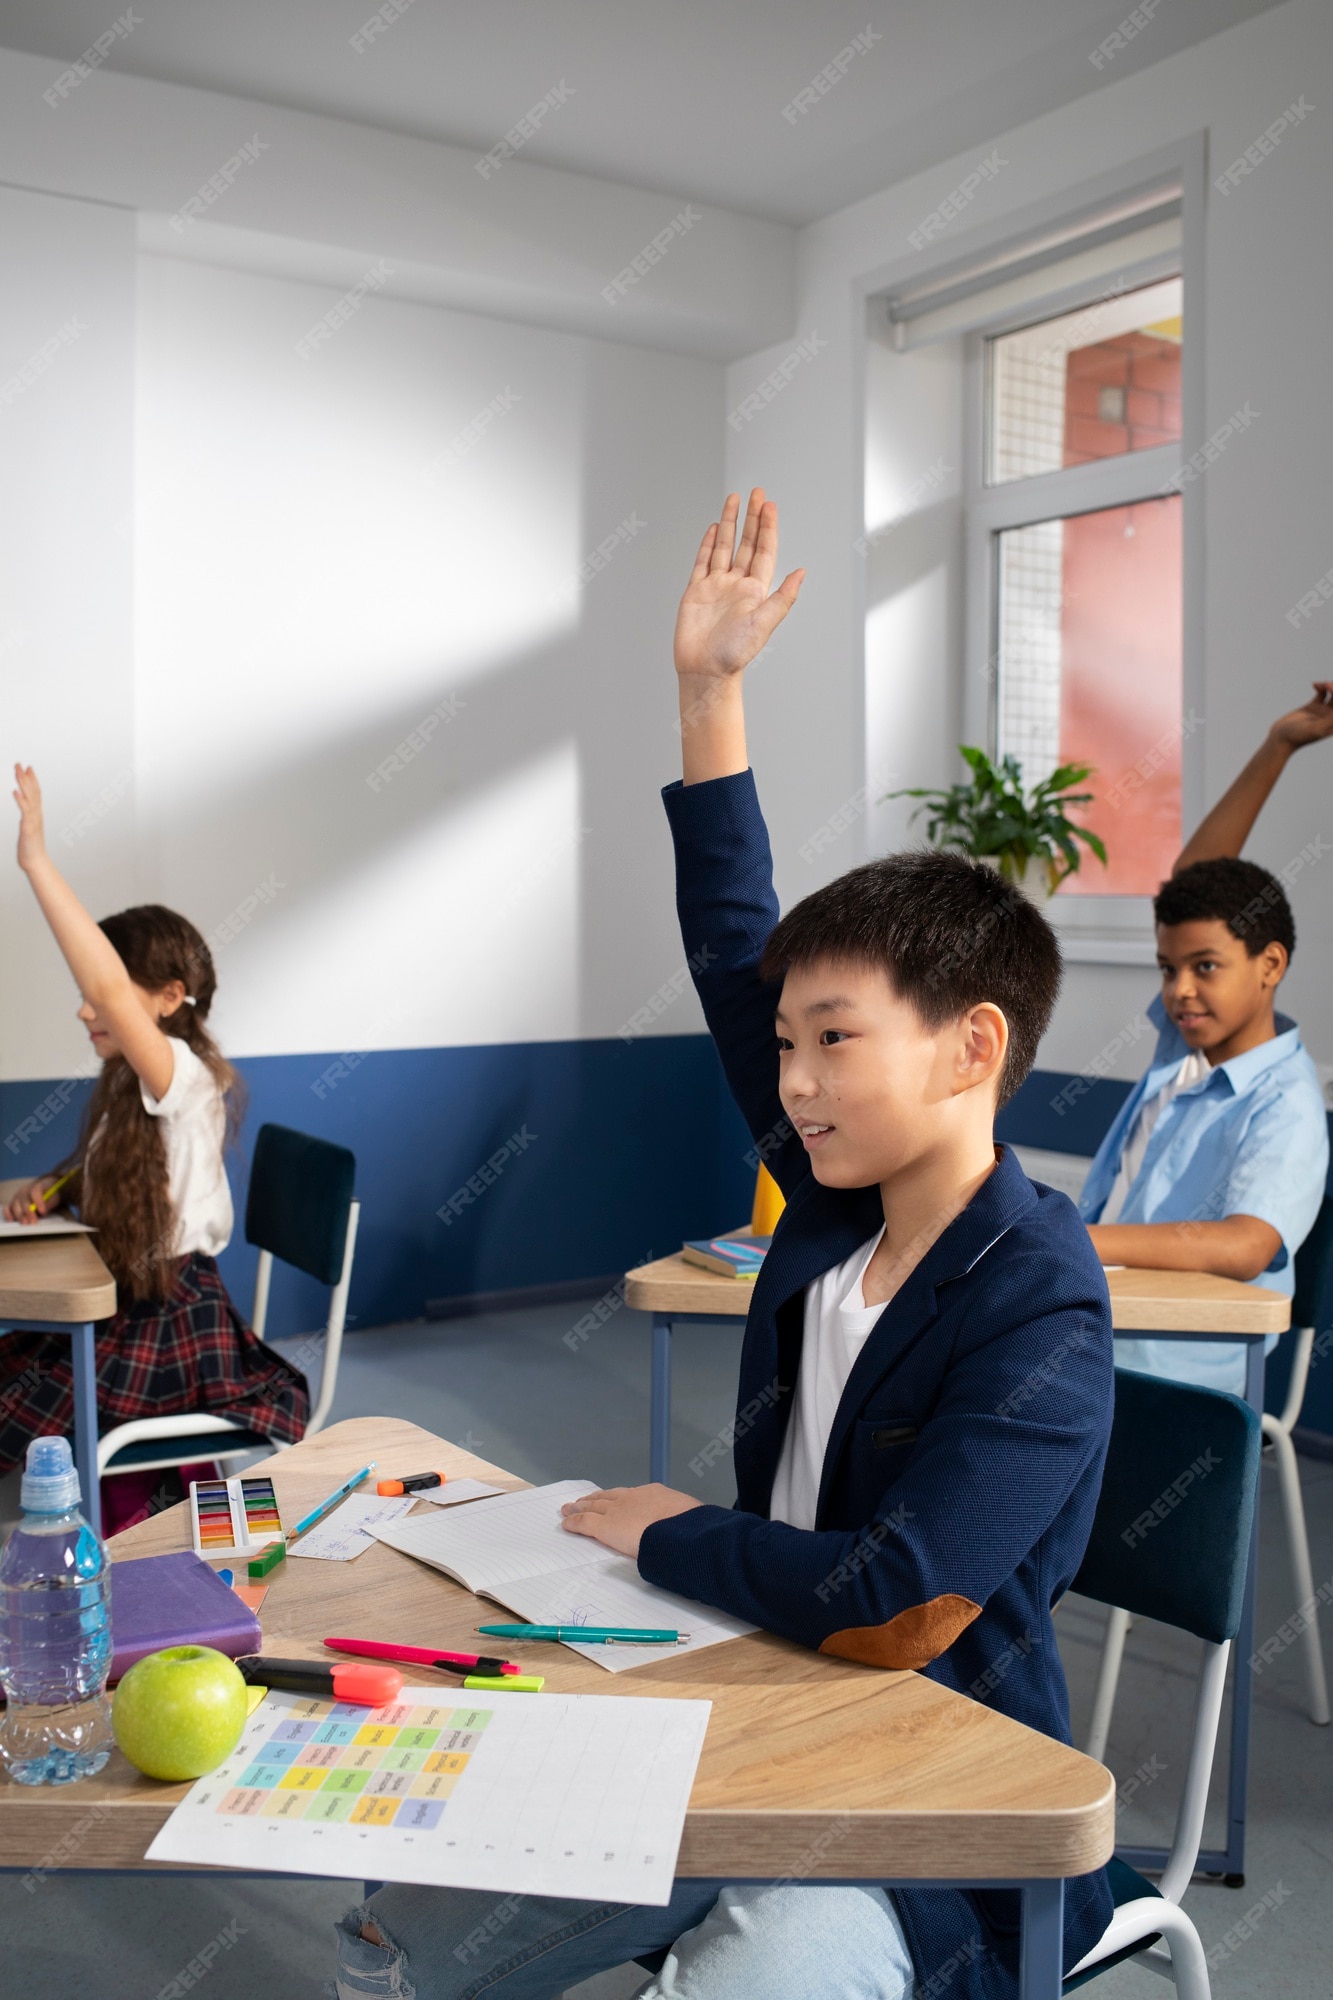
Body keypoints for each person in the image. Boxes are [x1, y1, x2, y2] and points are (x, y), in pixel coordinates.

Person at [335, 492, 1114, 2000]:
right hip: (747, 1676)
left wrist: (663, 1532)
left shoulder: (1040, 1298)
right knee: (420, 1898)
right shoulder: (835, 1199)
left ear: (971, 1049)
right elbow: (729, 931)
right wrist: (710, 691)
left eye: (834, 1040)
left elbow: (895, 1604)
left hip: (932, 1777)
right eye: (785, 1045)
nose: (796, 1082)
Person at [0, 764, 309, 1476]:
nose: (88, 1010)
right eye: (85, 997)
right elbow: (118, 1177)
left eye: (100, 999)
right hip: (133, 1300)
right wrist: (52, 1187)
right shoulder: (129, 1090)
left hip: (173, 1322)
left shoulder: (184, 1077)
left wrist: (36, 861)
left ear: (170, 999)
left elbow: (110, 988)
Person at [1081, 689, 1333, 1392]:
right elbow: (1190, 886)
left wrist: (1073, 1240)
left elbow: (1247, 1243)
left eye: (1205, 968)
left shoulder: (1284, 1100)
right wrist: (1277, 745)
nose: (1179, 990)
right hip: (1104, 1326)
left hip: (1173, 1367)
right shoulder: (1185, 1050)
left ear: (1270, 966)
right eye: (1168, 969)